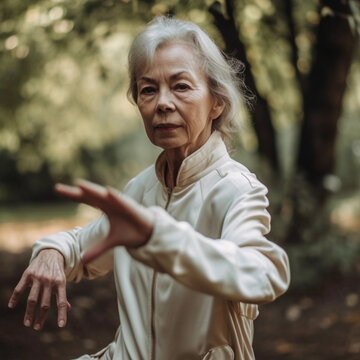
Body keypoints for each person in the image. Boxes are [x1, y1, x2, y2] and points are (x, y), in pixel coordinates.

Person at [8, 16, 290, 360]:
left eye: (181, 86)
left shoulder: (237, 190)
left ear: (217, 102)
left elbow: (262, 272)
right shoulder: (140, 189)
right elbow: (83, 245)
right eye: (148, 90)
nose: (163, 103)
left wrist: (158, 236)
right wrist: (52, 252)